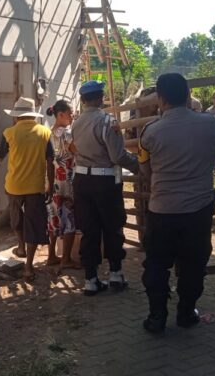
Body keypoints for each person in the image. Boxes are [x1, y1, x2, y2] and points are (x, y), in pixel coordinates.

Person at [138, 73, 215, 334]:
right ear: (188, 95)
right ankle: (187, 313)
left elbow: (144, 170)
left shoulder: (150, 131)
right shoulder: (209, 123)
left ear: (160, 98)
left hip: (161, 211)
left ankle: (157, 317)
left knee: (156, 263)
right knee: (193, 264)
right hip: (197, 212)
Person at [72, 80, 139, 296]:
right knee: (112, 227)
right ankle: (116, 275)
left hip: (81, 181)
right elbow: (117, 156)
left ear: (83, 100)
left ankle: (91, 280)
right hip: (105, 182)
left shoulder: (76, 123)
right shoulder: (108, 121)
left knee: (89, 229)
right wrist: (138, 165)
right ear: (101, 98)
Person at [0, 97, 56, 281]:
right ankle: (29, 267)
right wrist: (50, 186)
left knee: (16, 218)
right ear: (33, 115)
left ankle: (20, 246)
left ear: (17, 116)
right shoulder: (44, 132)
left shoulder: (9, 133)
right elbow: (50, 162)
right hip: (36, 187)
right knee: (33, 224)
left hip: (14, 186)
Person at [45, 100, 81, 271]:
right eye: (70, 113)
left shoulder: (49, 132)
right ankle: (66, 258)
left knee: (54, 218)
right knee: (69, 220)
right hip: (67, 181)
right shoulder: (67, 133)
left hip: (53, 182)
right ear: (60, 115)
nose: (72, 116)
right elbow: (77, 151)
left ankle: (51, 255)